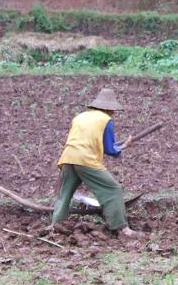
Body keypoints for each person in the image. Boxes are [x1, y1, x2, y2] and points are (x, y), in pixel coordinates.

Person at [50, 87, 143, 238]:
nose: (113, 113)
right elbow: (110, 149)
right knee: (113, 189)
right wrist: (124, 146)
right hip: (86, 159)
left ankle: (55, 226)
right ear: (109, 108)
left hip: (68, 157)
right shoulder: (106, 120)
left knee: (64, 193)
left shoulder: (79, 117)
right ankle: (122, 228)